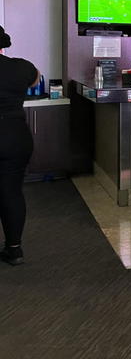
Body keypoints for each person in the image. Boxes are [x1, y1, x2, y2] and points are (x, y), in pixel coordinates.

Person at [0, 25, 39, 265]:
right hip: (15, 136)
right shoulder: (21, 66)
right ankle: (14, 249)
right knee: (11, 192)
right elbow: (35, 81)